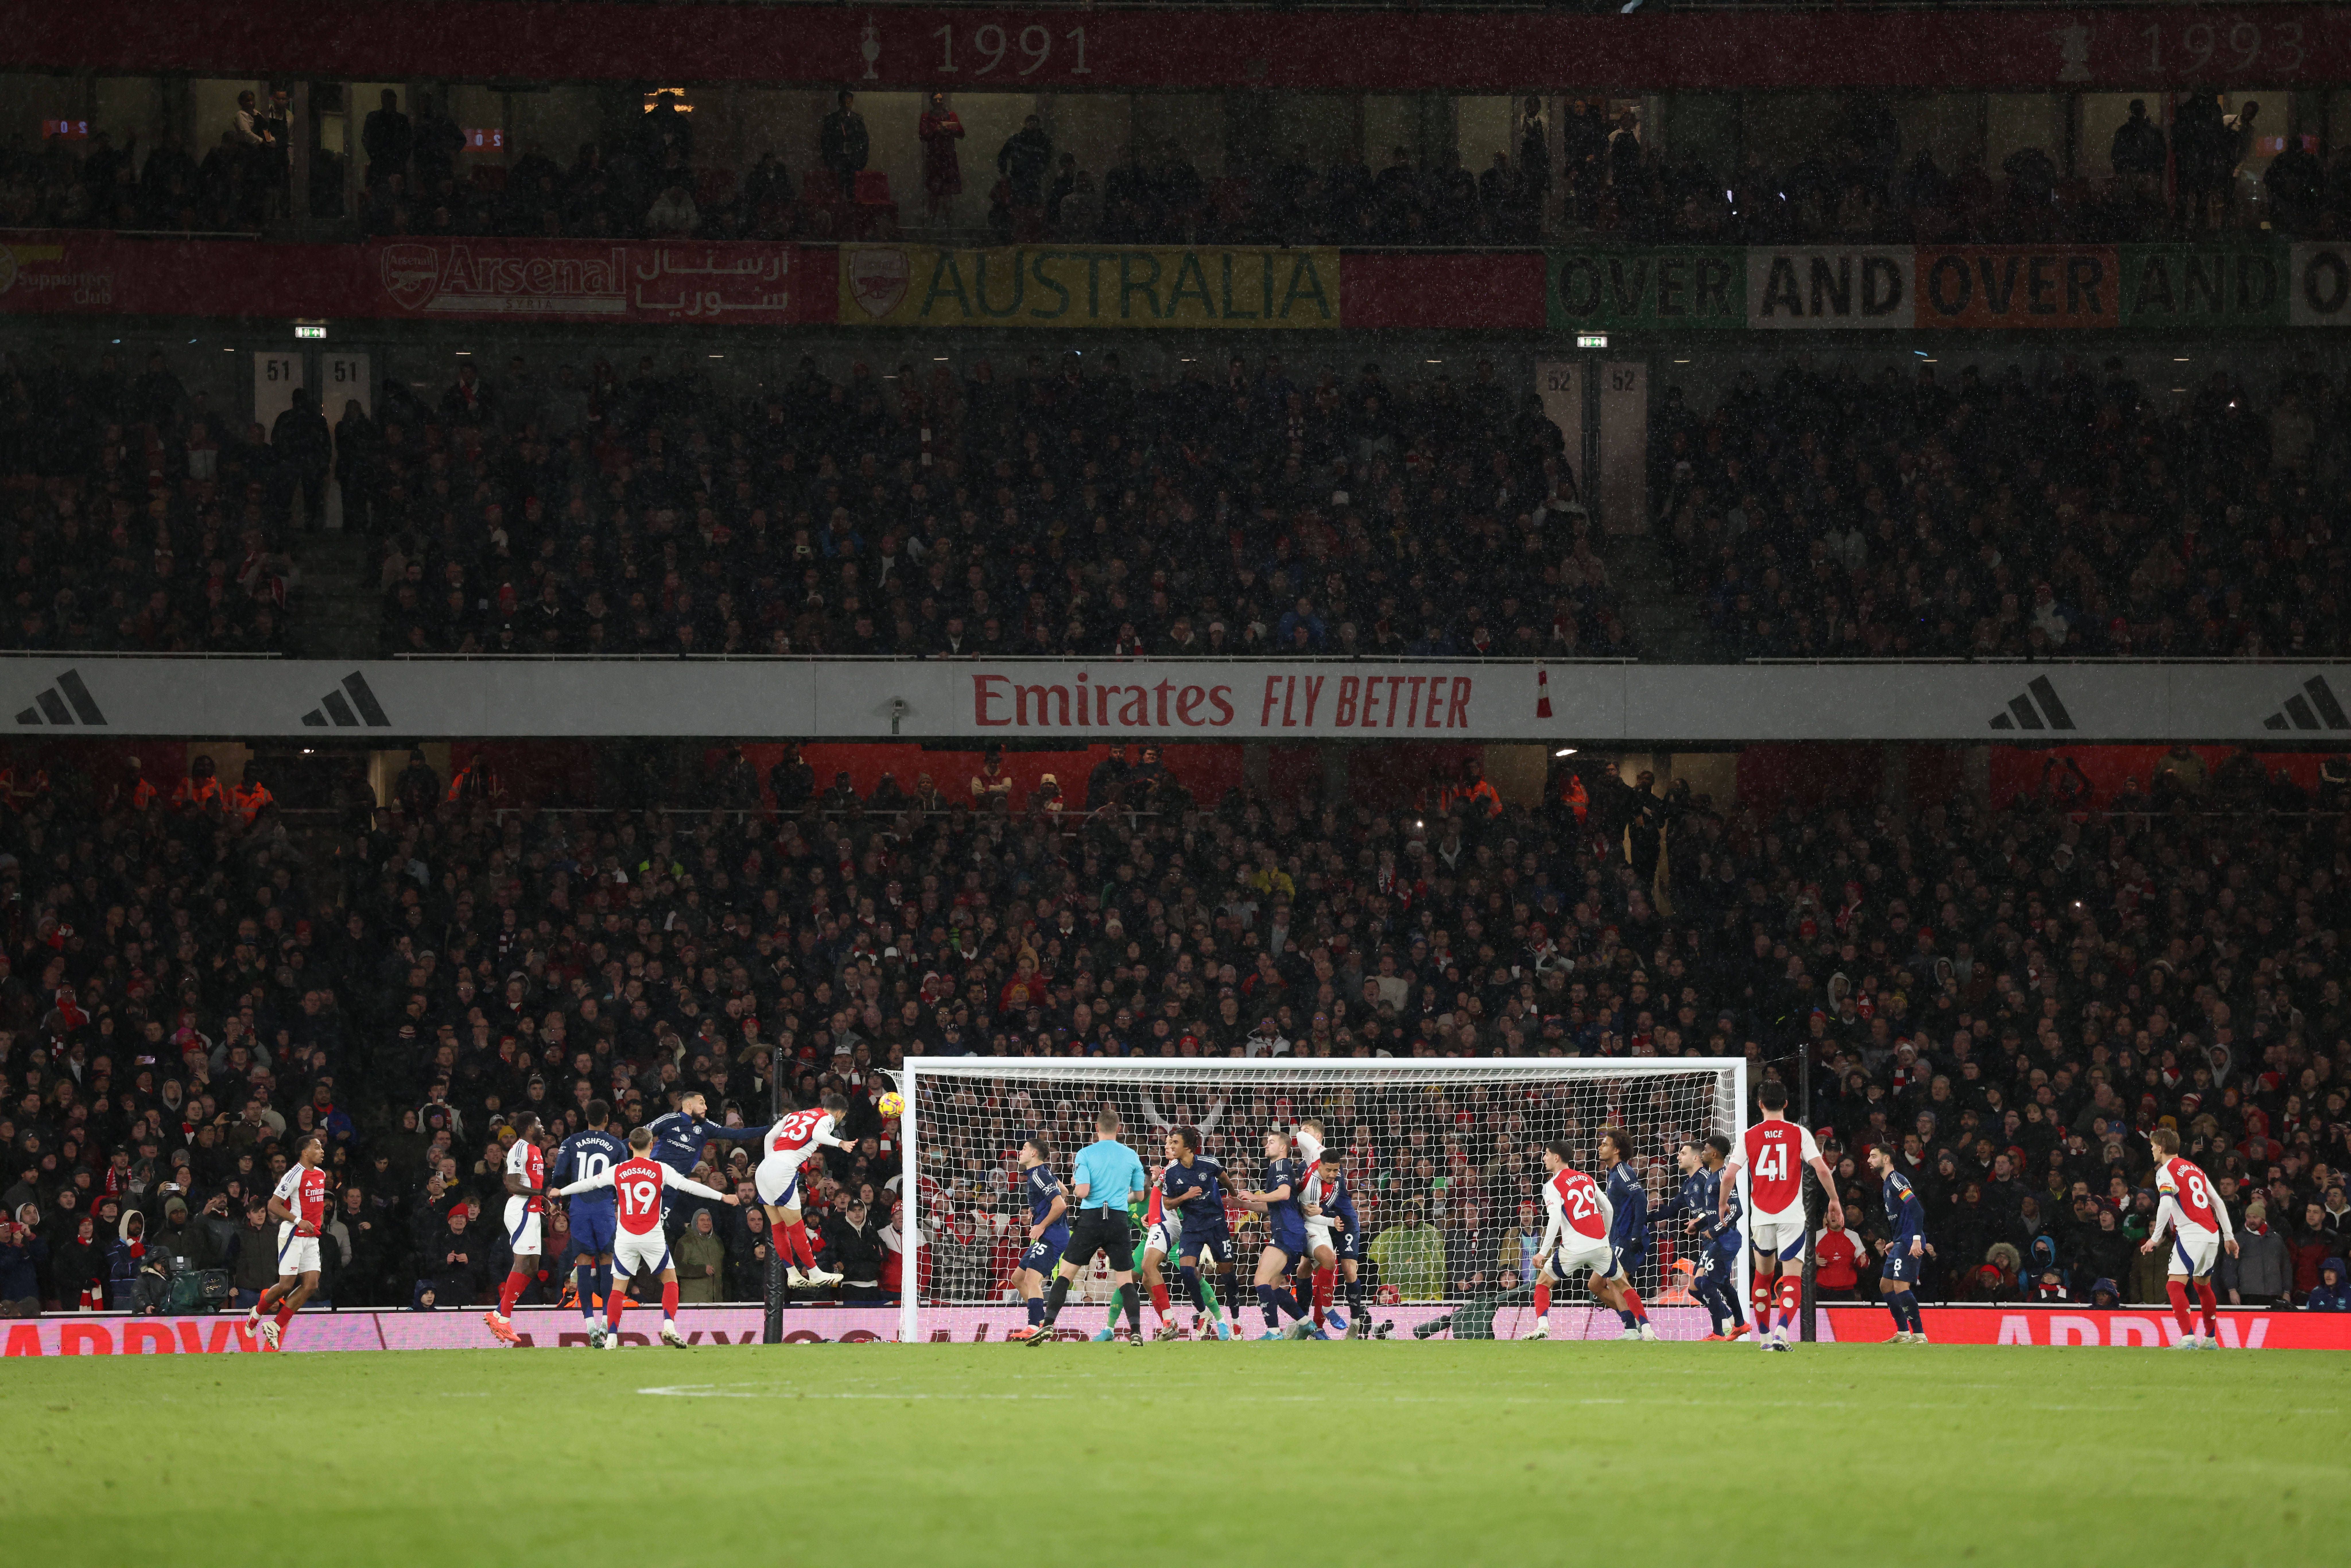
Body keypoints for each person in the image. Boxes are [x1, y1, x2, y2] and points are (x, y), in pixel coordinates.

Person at [554, 1125, 740, 1349]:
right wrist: (723, 1197)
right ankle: (669, 1326)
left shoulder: (619, 1170)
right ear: (652, 1145)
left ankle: (612, 1337)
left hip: (626, 1237)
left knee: (617, 1289)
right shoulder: (661, 1169)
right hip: (651, 1235)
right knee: (670, 1281)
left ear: (630, 1146)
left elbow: (590, 1183)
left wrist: (561, 1192)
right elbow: (690, 1187)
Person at [1721, 1078, 1844, 1352]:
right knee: (1791, 1277)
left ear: (1760, 1104)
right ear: (1786, 1104)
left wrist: (1722, 1204)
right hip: (1792, 1216)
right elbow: (1822, 1169)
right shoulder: (1799, 1133)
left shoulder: (1748, 1135)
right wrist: (1834, 1200)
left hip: (1762, 1215)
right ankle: (1781, 1333)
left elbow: (1730, 1174)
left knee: (1763, 1277)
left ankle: (1764, 1338)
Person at [1027, 1107, 1148, 1345]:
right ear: (1119, 1129)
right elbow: (1140, 1196)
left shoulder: (1085, 1154)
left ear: (1096, 1129)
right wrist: (1120, 1198)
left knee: (1066, 1274)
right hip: (1117, 1219)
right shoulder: (1132, 1155)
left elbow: (1083, 1192)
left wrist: (1074, 1185)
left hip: (1092, 1219)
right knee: (1125, 1280)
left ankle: (1049, 1325)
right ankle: (1135, 1332)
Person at [2140, 1125, 2238, 1349]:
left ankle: (2187, 1339)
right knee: (2203, 1286)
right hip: (2213, 1235)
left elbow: (2165, 1203)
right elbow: (2218, 1202)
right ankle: (2211, 1340)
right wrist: (2229, 1236)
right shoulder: (2195, 1169)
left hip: (2192, 1233)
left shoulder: (2165, 1171)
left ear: (2162, 1148)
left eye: (2154, 1146)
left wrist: (2155, 1238)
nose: (2153, 1150)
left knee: (2175, 1286)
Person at [756, 1094, 854, 1290]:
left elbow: (769, 1137)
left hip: (765, 1168)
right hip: (783, 1170)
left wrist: (771, 1161)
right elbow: (818, 1135)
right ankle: (815, 1273)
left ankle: (792, 1274)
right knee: (796, 1228)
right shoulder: (827, 1118)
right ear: (840, 1113)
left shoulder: (793, 1115)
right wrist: (841, 1143)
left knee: (778, 1226)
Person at [552, 1098, 629, 1347]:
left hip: (580, 1210)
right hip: (605, 1211)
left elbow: (560, 1176)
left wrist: (557, 1200)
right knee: (608, 1261)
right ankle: (607, 1321)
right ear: (607, 1120)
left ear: (586, 1118)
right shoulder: (617, 1145)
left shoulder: (570, 1143)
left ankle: (589, 1324)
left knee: (583, 1262)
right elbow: (622, 1181)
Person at [1526, 1140, 1621, 1341]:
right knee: (1620, 1286)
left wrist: (1543, 1252)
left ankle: (1543, 1326)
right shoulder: (1586, 1178)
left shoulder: (1552, 1185)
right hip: (1599, 1244)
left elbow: (1555, 1219)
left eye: (1546, 1154)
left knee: (1543, 1283)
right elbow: (1609, 1209)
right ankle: (1637, 1326)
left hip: (1573, 1248)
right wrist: (1606, 1235)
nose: (1544, 1158)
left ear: (1557, 1158)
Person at [1227, 1127, 1315, 1340]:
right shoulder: (1277, 1168)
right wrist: (1244, 1204)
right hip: (1291, 1233)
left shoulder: (1282, 1165)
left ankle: (1274, 1332)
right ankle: (1306, 1324)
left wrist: (1255, 1197)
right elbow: (1272, 1207)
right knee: (1273, 1286)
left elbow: (1284, 1194)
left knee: (1261, 1280)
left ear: (1284, 1147)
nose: (1267, 1145)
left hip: (1287, 1232)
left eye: (1272, 1142)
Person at [248, 1134, 328, 1350]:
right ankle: (256, 1314)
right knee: (286, 1285)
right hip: (293, 1233)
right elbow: (273, 1205)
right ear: (305, 1152)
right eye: (317, 1147)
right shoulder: (294, 1175)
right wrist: (299, 1221)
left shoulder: (321, 1175)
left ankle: (275, 1326)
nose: (322, 1151)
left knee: (311, 1284)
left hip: (311, 1237)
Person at [1667, 1136, 1746, 1341]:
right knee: (1698, 1287)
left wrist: (1716, 1230)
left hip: (1726, 1239)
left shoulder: (1724, 1177)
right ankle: (1739, 1323)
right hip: (1716, 1239)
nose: (1702, 1153)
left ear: (1714, 1154)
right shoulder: (1711, 1178)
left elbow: (1737, 1210)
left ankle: (1719, 1332)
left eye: (1706, 1150)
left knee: (1706, 1283)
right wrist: (1699, 1225)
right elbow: (1712, 1212)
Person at [1159, 1125, 1233, 1341]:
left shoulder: (1208, 1164)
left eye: (1174, 1143)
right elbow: (1163, 1202)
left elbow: (1225, 1180)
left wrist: (1236, 1197)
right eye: (1169, 1143)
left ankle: (1224, 1321)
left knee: (1220, 1273)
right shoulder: (1169, 1173)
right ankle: (1204, 1314)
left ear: (1188, 1147)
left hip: (1213, 1225)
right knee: (1187, 1273)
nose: (1170, 1147)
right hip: (1184, 1228)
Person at [483, 1111, 550, 1346]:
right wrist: (541, 1195)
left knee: (532, 1267)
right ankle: (503, 1317)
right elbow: (512, 1184)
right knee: (522, 1263)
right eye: (540, 1123)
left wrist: (544, 1201)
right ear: (530, 1128)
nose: (543, 1127)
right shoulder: (520, 1148)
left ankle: (498, 1314)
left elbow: (531, 1184)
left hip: (532, 1209)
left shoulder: (535, 1150)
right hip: (521, 1210)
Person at [1003, 1135, 1068, 1342]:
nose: (1020, 1152)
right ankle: (1040, 1323)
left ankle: (1034, 1326)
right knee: (1018, 1279)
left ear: (1034, 1153)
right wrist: (1040, 1210)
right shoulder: (1043, 1172)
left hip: (1052, 1235)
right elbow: (1065, 1192)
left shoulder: (1040, 1174)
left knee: (1032, 1279)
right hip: (1049, 1233)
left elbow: (1061, 1205)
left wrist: (1042, 1224)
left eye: (1024, 1148)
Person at [1291, 1119, 1350, 1338]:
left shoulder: (1326, 1167)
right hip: (1308, 1225)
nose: (1333, 1175)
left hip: (1321, 1223)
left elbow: (1322, 1211)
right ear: (1321, 1165)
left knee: (1309, 1271)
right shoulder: (1314, 1182)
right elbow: (1311, 1216)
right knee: (1329, 1260)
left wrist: (1327, 1220)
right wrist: (1330, 1221)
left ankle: (1315, 1326)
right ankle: (1327, 1309)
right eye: (1330, 1170)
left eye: (1337, 1170)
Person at [1595, 1127, 1655, 1340]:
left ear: (1617, 1150)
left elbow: (1641, 1199)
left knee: (1614, 1281)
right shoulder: (1612, 1174)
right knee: (1595, 1285)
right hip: (1616, 1238)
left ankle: (1633, 1328)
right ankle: (1634, 1319)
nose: (1601, 1147)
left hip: (1628, 1237)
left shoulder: (1623, 1171)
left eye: (1606, 1144)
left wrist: (1636, 1234)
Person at [1868, 1144, 1931, 1344]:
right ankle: (1903, 1333)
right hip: (1901, 1240)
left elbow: (1917, 1211)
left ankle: (1919, 1334)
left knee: (1900, 1286)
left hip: (1910, 1240)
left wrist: (1916, 1240)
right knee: (1886, 1285)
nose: (1870, 1161)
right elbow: (1904, 1215)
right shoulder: (1887, 1184)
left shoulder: (1896, 1180)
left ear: (1886, 1160)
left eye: (1874, 1156)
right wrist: (1894, 1241)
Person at [918, 92, 964, 225]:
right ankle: (933, 223)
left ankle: (947, 223)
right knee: (935, 194)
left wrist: (948, 130)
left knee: (947, 194)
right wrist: (936, 131)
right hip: (935, 158)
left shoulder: (951, 116)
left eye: (941, 100)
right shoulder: (927, 117)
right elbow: (923, 136)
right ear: (932, 102)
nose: (939, 102)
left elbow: (961, 133)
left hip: (947, 158)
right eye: (936, 100)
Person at [820, 90, 869, 201]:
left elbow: (865, 142)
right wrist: (830, 162)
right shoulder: (831, 120)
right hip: (837, 163)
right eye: (844, 103)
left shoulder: (858, 119)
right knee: (837, 196)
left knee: (854, 196)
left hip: (854, 163)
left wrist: (861, 161)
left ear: (852, 103)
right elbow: (825, 143)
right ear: (839, 103)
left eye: (849, 103)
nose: (847, 106)